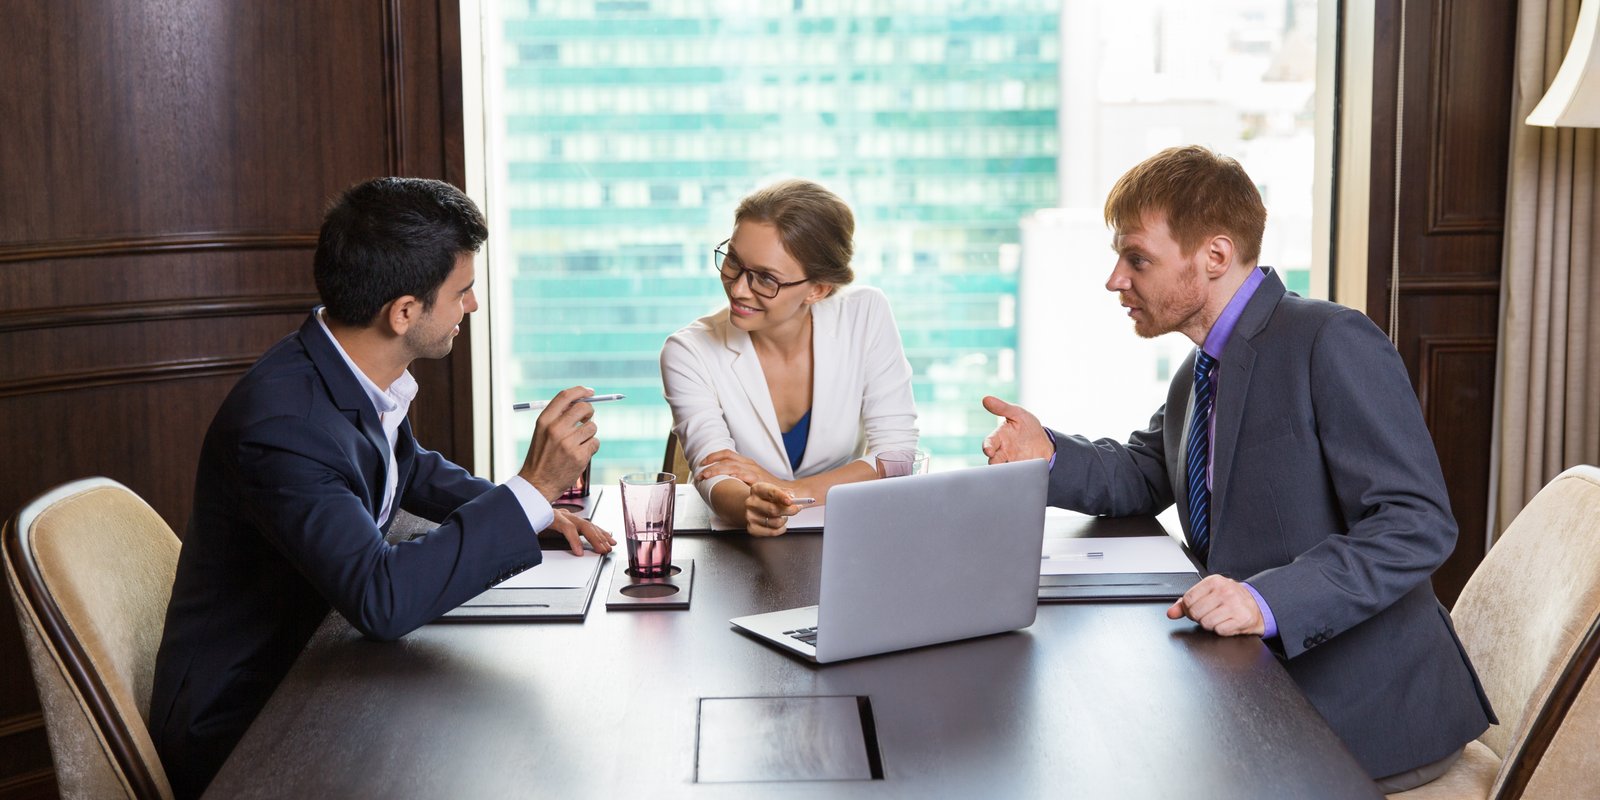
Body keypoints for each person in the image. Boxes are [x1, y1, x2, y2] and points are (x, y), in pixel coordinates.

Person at [981, 146, 1495, 791]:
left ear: (1215, 256)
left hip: (1359, 712)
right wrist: (1048, 452)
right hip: (1250, 682)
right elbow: (1147, 471)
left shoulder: (1330, 340)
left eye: (1137, 258)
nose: (1116, 279)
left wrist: (1264, 598)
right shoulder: (1202, 368)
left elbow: (1415, 524)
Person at [148, 177, 616, 799]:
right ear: (403, 312)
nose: (471, 307)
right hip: (250, 729)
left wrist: (531, 512)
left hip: (324, 667)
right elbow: (381, 598)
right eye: (463, 291)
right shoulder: (284, 427)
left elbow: (408, 469)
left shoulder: (342, 365)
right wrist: (531, 488)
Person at [660, 179, 918, 534]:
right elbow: (713, 471)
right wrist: (750, 504)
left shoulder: (865, 313)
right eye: (733, 261)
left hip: (849, 535)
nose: (737, 288)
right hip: (737, 548)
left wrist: (793, 493)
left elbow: (898, 457)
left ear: (818, 289)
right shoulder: (688, 350)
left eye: (766, 279)